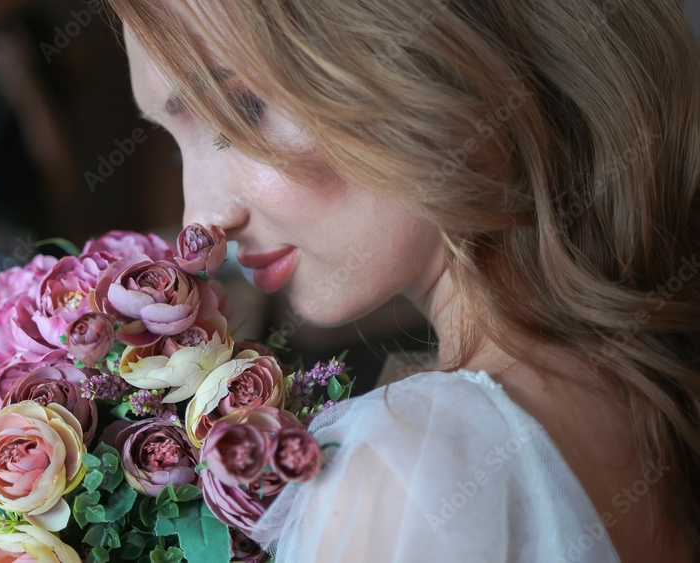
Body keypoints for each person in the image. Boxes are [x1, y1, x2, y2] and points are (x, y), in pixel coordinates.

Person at [106, 0, 700, 561]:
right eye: (179, 152)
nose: (201, 221)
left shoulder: (410, 468)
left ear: (420, 52)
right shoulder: (639, 399)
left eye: (244, 111)